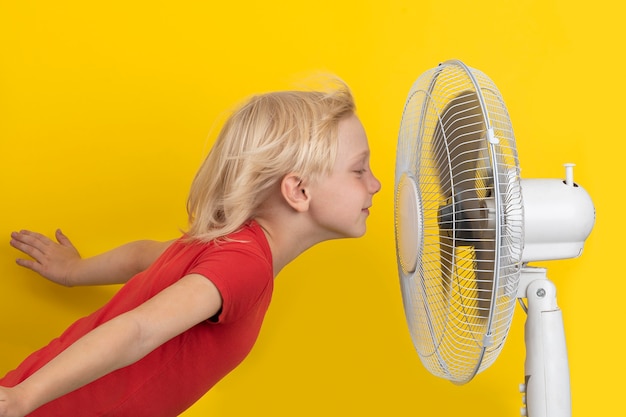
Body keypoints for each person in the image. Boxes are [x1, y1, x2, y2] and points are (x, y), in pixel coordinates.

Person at [0, 81, 381, 417]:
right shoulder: (244, 264)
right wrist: (22, 399)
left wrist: (74, 272)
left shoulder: (231, 242)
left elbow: (142, 256)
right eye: (359, 169)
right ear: (298, 191)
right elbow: (139, 330)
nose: (375, 184)